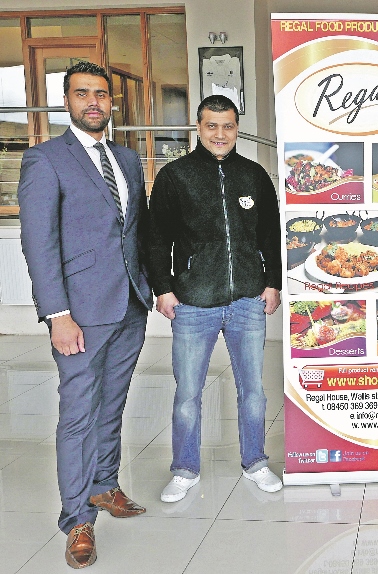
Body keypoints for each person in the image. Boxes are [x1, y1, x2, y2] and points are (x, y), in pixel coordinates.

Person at [18, 61, 152, 569]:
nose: (93, 102)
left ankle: (103, 487)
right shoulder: (45, 160)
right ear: (66, 102)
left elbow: (134, 232)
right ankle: (77, 518)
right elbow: (39, 243)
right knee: (77, 415)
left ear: (111, 102)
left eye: (101, 94)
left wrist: (151, 289)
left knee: (112, 405)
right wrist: (57, 313)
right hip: (79, 313)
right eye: (82, 94)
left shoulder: (127, 158)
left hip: (129, 307)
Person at [148, 95, 283, 503]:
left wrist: (272, 281)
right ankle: (185, 469)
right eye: (211, 126)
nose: (220, 134)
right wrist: (163, 288)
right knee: (188, 392)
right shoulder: (175, 176)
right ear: (198, 128)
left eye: (227, 126)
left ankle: (255, 462)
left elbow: (271, 234)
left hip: (246, 299)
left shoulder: (255, 175)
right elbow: (156, 238)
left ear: (237, 129)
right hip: (193, 300)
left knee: (253, 391)